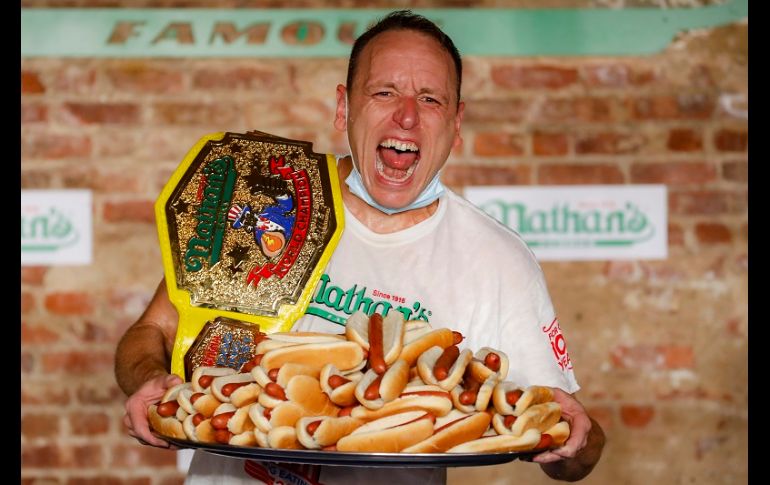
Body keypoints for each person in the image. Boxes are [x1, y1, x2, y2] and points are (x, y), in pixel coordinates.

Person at [115, 10, 605, 484]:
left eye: (430, 99)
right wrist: (148, 380)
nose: (407, 116)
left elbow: (568, 447)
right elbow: (151, 331)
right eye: (384, 91)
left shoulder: (497, 260)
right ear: (344, 107)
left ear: (456, 123)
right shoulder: (265, 197)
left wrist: (574, 441)